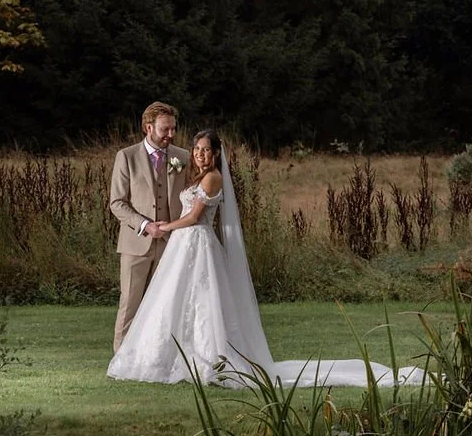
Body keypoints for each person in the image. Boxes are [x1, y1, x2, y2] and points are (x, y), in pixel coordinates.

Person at [107, 129, 426, 388]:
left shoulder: (212, 178)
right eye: (197, 149)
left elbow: (193, 217)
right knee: (174, 300)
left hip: (196, 242)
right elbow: (164, 178)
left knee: (202, 301)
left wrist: (163, 226)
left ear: (217, 153)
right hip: (182, 246)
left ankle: (208, 357)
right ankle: (162, 354)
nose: (201, 154)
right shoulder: (191, 170)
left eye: (206, 150)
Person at [109, 101, 191, 353]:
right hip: (136, 244)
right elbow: (117, 203)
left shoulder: (183, 157)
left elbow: (189, 196)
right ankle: (121, 357)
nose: (171, 135)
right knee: (130, 303)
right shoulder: (127, 156)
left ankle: (155, 356)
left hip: (171, 243)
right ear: (148, 128)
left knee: (164, 304)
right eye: (165, 129)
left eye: (173, 129)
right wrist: (146, 225)